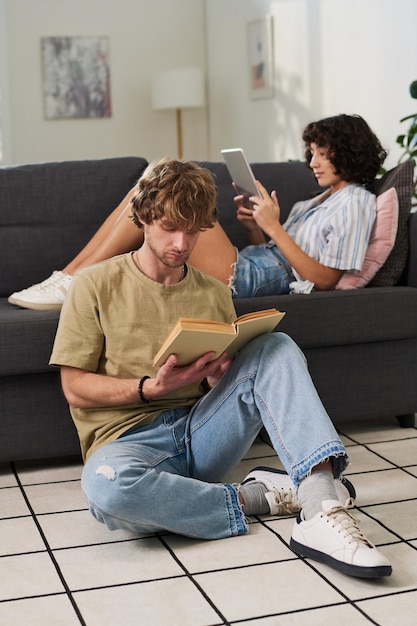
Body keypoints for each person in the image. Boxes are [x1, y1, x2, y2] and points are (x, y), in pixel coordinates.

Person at [49, 157, 391, 578]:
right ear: (142, 217)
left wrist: (218, 377)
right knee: (106, 488)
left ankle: (320, 507)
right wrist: (149, 389)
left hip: (201, 432)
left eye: (193, 230)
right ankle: (257, 498)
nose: (181, 243)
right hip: (126, 444)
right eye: (170, 227)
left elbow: (223, 387)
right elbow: (74, 387)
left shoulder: (213, 292)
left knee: (275, 345)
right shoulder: (93, 284)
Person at [9, 114, 387, 309]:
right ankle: (70, 277)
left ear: (349, 151)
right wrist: (256, 227)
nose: (314, 161)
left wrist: (273, 227)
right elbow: (277, 252)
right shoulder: (316, 201)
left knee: (163, 182)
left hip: (248, 280)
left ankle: (72, 280)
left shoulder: (357, 200)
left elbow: (324, 280)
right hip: (249, 263)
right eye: (313, 152)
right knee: (148, 189)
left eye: (324, 152)